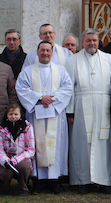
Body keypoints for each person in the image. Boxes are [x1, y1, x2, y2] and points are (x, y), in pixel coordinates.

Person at [66, 29, 111, 194]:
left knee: (104, 144)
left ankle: (105, 182)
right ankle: (84, 181)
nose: (92, 43)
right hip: (81, 106)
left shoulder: (110, 59)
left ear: (99, 42)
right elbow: (68, 87)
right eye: (88, 40)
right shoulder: (72, 60)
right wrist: (70, 111)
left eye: (94, 40)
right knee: (82, 143)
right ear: (82, 42)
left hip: (104, 106)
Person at [16, 41, 73, 194]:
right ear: (37, 52)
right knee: (36, 144)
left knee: (56, 145)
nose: (45, 53)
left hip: (55, 114)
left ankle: (55, 181)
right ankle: (38, 181)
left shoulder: (61, 70)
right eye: (42, 50)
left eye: (48, 50)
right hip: (36, 115)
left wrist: (52, 100)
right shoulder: (27, 71)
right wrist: (40, 98)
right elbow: (21, 88)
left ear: (52, 53)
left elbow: (67, 88)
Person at [0, 103, 35, 196]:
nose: (13, 117)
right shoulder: (0, 127)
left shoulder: (27, 126)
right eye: (10, 114)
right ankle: (4, 188)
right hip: (6, 159)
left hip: (22, 159)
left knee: (24, 168)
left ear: (20, 115)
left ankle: (23, 188)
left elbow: (31, 150)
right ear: (7, 115)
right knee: (4, 172)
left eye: (16, 114)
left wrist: (16, 160)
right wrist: (5, 161)